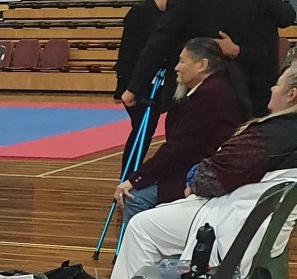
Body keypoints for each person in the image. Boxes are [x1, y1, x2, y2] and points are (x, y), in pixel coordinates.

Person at [112, 60, 297, 279]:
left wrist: (145, 179)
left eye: (278, 85)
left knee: (141, 223)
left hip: (235, 222)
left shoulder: (262, 129)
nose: (177, 67)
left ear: (291, 94)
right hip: (256, 218)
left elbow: (206, 172)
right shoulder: (227, 95)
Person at [114, 38, 245, 224]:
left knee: (134, 198)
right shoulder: (213, 88)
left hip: (198, 173)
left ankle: (142, 252)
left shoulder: (209, 95)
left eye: (182, 61)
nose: (176, 67)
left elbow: (179, 147)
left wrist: (136, 179)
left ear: (202, 65)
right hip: (196, 166)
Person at [123, 0, 295, 118]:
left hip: (213, 87)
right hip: (249, 85)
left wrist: (135, 86)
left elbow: (160, 41)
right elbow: (286, 16)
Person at [115, 0, 172, 175]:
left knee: (156, 129)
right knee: (143, 129)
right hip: (138, 82)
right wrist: (124, 86)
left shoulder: (175, 12)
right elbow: (127, 51)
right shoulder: (140, 12)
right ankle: (129, 176)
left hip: (165, 80)